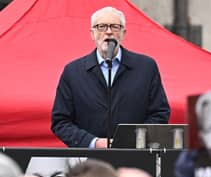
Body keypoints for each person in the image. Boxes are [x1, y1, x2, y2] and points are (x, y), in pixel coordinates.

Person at [51, 6, 170, 148]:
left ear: (123, 33)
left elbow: (160, 114)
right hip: (90, 161)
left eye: (115, 27)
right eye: (101, 27)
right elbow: (61, 122)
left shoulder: (145, 67)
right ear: (92, 34)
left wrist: (131, 140)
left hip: (134, 157)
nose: (108, 32)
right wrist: (93, 142)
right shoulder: (73, 72)